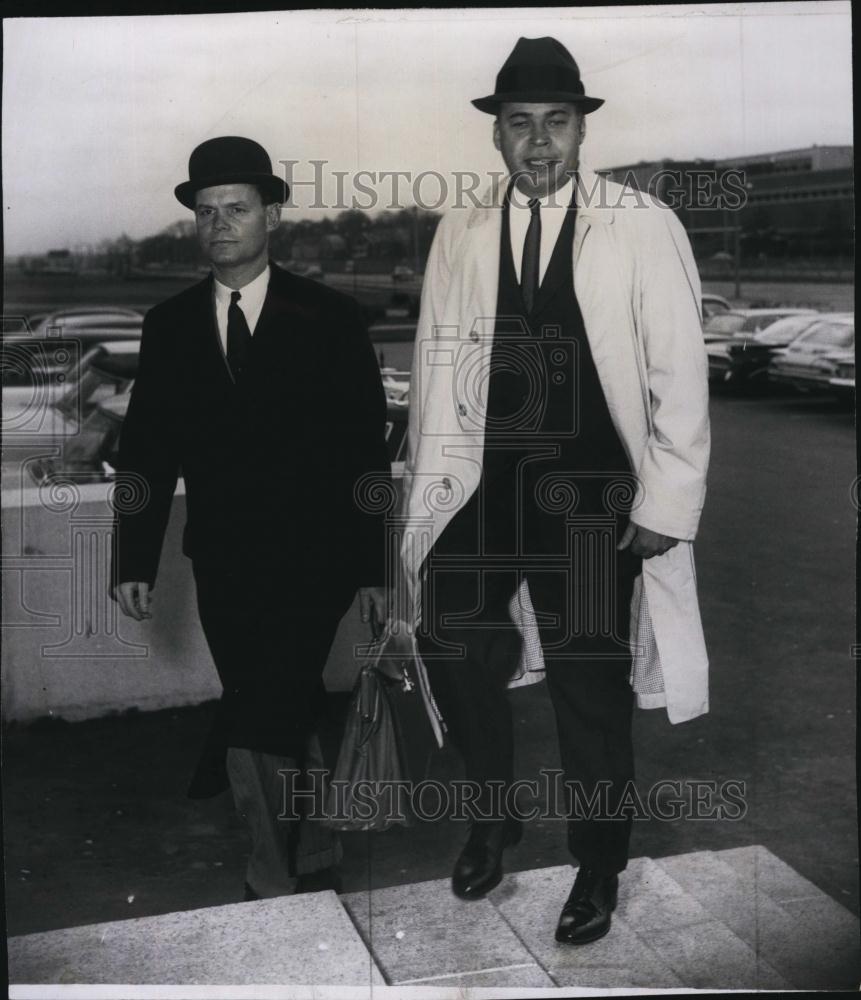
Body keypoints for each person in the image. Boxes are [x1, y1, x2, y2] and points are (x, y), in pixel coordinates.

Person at [398, 37, 710, 944]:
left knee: (588, 686)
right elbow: (431, 366)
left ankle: (598, 867)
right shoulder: (459, 229)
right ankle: (493, 815)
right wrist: (424, 492)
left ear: (581, 131)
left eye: (555, 124)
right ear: (495, 137)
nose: (537, 143)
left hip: (589, 501)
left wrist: (664, 504)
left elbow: (678, 375)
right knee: (451, 646)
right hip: (480, 490)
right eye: (519, 125)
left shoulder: (639, 222)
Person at [111, 135, 390, 900]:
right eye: (206, 213)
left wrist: (374, 569)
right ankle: (314, 847)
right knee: (278, 695)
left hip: (318, 560)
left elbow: (366, 456)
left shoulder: (330, 317)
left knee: (262, 698)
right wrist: (132, 560)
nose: (219, 224)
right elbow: (145, 454)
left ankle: (268, 868)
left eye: (236, 208)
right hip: (225, 561)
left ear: (271, 213)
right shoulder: (168, 326)